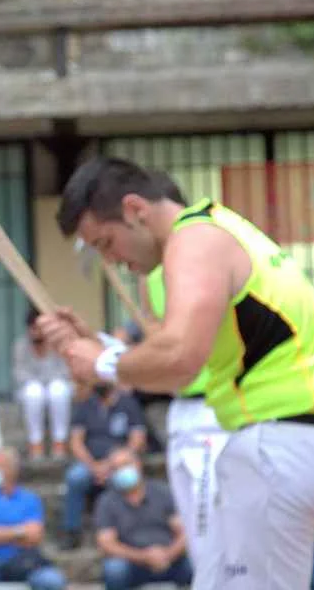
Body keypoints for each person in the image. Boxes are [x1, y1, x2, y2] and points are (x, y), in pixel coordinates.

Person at [40, 156, 314, 590]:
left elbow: (179, 359)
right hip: (285, 439)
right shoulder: (214, 229)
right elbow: (177, 357)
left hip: (281, 440)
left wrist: (102, 363)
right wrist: (100, 347)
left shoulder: (195, 240)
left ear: (134, 209)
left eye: (106, 242)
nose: (110, 260)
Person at [136, 171, 229, 568]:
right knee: (198, 537)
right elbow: (157, 344)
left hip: (217, 408)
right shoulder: (149, 276)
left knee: (216, 531)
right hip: (181, 410)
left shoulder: (208, 260)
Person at [61, 382, 147, 550]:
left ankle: (122, 532)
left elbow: (137, 440)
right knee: (74, 478)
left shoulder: (128, 404)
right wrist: (93, 466)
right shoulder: (85, 405)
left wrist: (112, 465)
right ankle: (72, 531)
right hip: (90, 463)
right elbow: (76, 442)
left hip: (120, 463)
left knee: (124, 479)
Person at [95, 448, 194, 590]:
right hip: (132, 563)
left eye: (126, 464)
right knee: (114, 570)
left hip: (170, 559)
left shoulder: (162, 492)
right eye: (116, 468)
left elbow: (184, 532)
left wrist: (168, 554)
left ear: (138, 464)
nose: (122, 471)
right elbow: (107, 543)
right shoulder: (107, 501)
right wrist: (144, 557)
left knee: (197, 562)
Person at [0, 447, 66, 590]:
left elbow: (35, 536)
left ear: (10, 470)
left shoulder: (29, 499)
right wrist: (20, 532)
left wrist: (0, 534)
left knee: (52, 581)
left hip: (25, 562)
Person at [13, 308, 73, 460]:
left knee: (57, 390)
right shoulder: (21, 346)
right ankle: (35, 443)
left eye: (39, 328)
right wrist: (40, 383)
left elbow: (65, 372)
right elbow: (19, 374)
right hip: (32, 389)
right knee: (34, 392)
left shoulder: (57, 345)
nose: (36, 332)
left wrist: (46, 382)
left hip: (56, 386)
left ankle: (59, 442)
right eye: (33, 328)